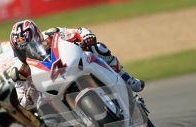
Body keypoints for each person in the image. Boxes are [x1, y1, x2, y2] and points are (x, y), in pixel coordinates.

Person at [9, 19, 144, 93]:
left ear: (38, 36)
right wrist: (29, 89)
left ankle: (126, 77)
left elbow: (78, 31)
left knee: (98, 48)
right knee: (48, 117)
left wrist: (86, 37)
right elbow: (24, 101)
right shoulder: (17, 69)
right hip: (50, 87)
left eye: (32, 44)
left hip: (69, 64)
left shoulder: (51, 33)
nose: (28, 50)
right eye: (23, 50)